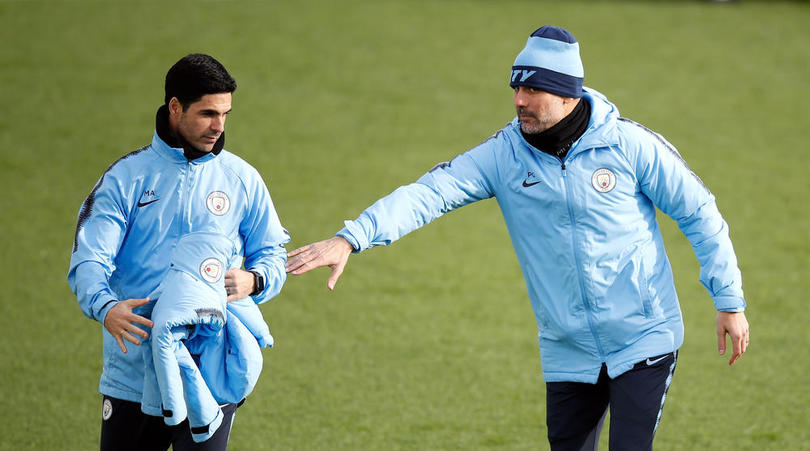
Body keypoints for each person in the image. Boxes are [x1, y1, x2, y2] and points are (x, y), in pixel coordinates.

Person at [285, 26, 749, 450]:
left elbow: (700, 214)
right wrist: (352, 238)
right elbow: (429, 193)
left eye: (532, 88)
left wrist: (728, 300)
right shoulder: (503, 156)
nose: (518, 100)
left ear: (568, 95)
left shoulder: (629, 146)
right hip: (568, 348)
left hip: (644, 335)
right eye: (515, 87)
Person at [68, 53, 289, 450]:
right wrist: (105, 307)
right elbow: (88, 260)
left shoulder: (242, 179)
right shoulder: (127, 178)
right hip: (134, 374)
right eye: (207, 113)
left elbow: (272, 252)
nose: (218, 127)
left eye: (225, 114)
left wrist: (255, 279)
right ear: (175, 107)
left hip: (209, 372)